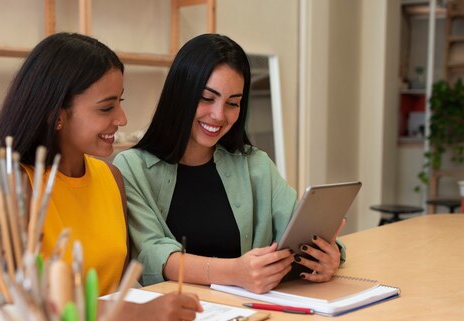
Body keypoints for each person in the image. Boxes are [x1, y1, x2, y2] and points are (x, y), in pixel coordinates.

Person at [0, 32, 202, 321]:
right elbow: (17, 306)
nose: (122, 118)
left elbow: (115, 288)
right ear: (56, 115)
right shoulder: (15, 185)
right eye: (106, 108)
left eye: (120, 102)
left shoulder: (111, 178)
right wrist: (135, 318)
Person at [113, 33, 345, 293]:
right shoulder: (131, 168)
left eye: (233, 103)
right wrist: (236, 273)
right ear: (181, 94)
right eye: (207, 98)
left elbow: (295, 227)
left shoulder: (255, 164)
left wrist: (328, 256)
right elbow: (152, 253)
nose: (219, 115)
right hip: (177, 318)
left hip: (252, 313)